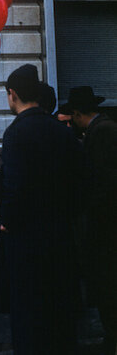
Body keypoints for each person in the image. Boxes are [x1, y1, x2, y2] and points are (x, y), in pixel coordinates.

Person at [1, 64, 83, 355]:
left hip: (27, 241)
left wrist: (6, 221)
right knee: (60, 313)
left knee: (29, 315)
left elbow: (14, 186)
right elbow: (79, 183)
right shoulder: (62, 131)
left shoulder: (16, 134)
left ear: (13, 95)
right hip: (61, 235)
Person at [61, 86, 117, 355]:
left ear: (77, 113)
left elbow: (104, 183)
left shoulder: (102, 132)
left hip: (106, 227)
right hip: (105, 225)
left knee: (108, 284)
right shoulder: (103, 129)